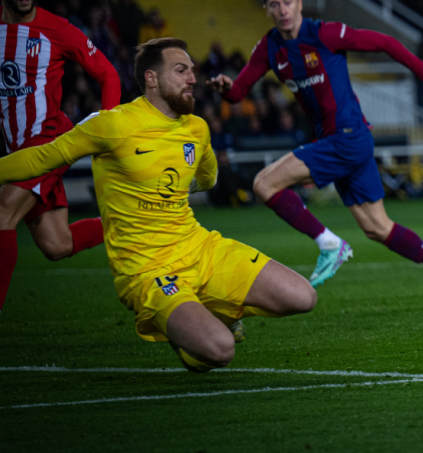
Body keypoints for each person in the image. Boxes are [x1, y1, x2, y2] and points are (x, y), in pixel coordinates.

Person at [0, 38, 316, 371]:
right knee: (220, 351)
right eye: (181, 70)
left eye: (192, 70)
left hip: (199, 248)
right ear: (151, 78)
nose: (192, 78)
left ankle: (211, 310)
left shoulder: (197, 128)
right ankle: (190, 337)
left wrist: (179, 187)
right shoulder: (112, 125)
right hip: (147, 270)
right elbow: (42, 158)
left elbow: (208, 179)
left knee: (303, 297)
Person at [207, 0, 423, 306]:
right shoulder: (269, 48)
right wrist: (225, 88)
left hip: (347, 137)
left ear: (300, 3)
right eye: (275, 4)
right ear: (266, 10)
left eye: (288, 2)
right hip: (343, 141)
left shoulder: (324, 33)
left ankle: (329, 244)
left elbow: (385, 43)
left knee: (264, 184)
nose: (283, 10)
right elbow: (238, 92)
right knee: (378, 227)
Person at [0, 0, 121, 317]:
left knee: (2, 212)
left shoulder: (58, 29)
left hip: (49, 141)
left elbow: (109, 74)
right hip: (14, 151)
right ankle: (126, 217)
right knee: (56, 243)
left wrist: (107, 127)